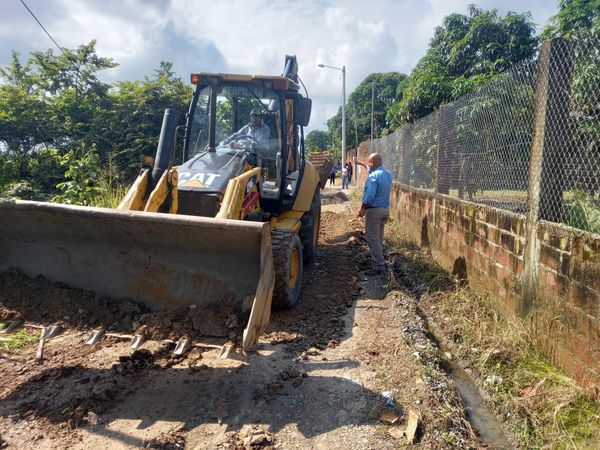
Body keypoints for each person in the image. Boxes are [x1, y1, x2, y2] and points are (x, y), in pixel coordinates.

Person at [356, 153, 393, 275]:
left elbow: (369, 196)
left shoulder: (373, 177)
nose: (368, 164)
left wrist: (363, 208)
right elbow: (370, 169)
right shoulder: (387, 174)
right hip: (385, 210)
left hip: (374, 211)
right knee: (378, 237)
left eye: (369, 162)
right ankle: (379, 259)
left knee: (372, 238)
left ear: (372, 163)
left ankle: (379, 265)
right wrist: (361, 164)